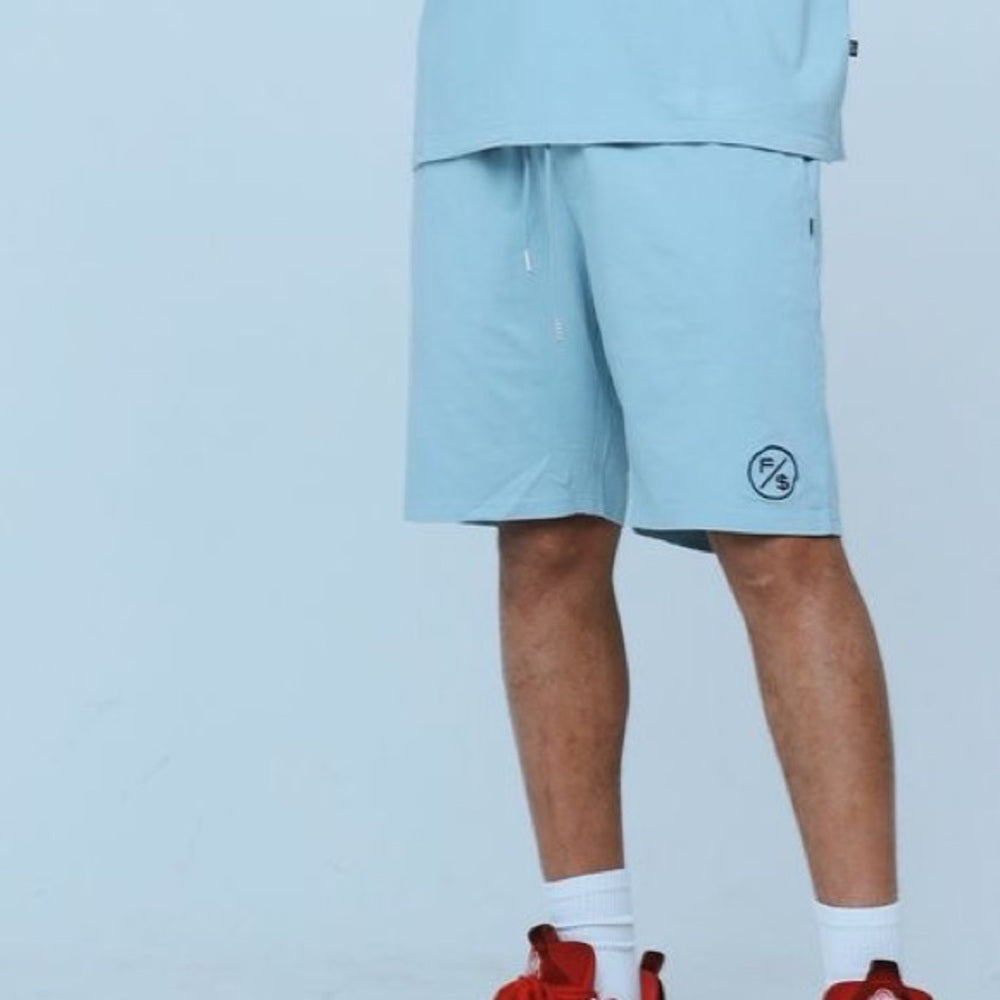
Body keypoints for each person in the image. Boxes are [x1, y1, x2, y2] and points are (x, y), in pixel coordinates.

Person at [402, 3, 936, 999]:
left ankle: (866, 972)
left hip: (708, 91)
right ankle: (591, 961)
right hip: (491, 91)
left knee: (773, 538)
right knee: (544, 535)